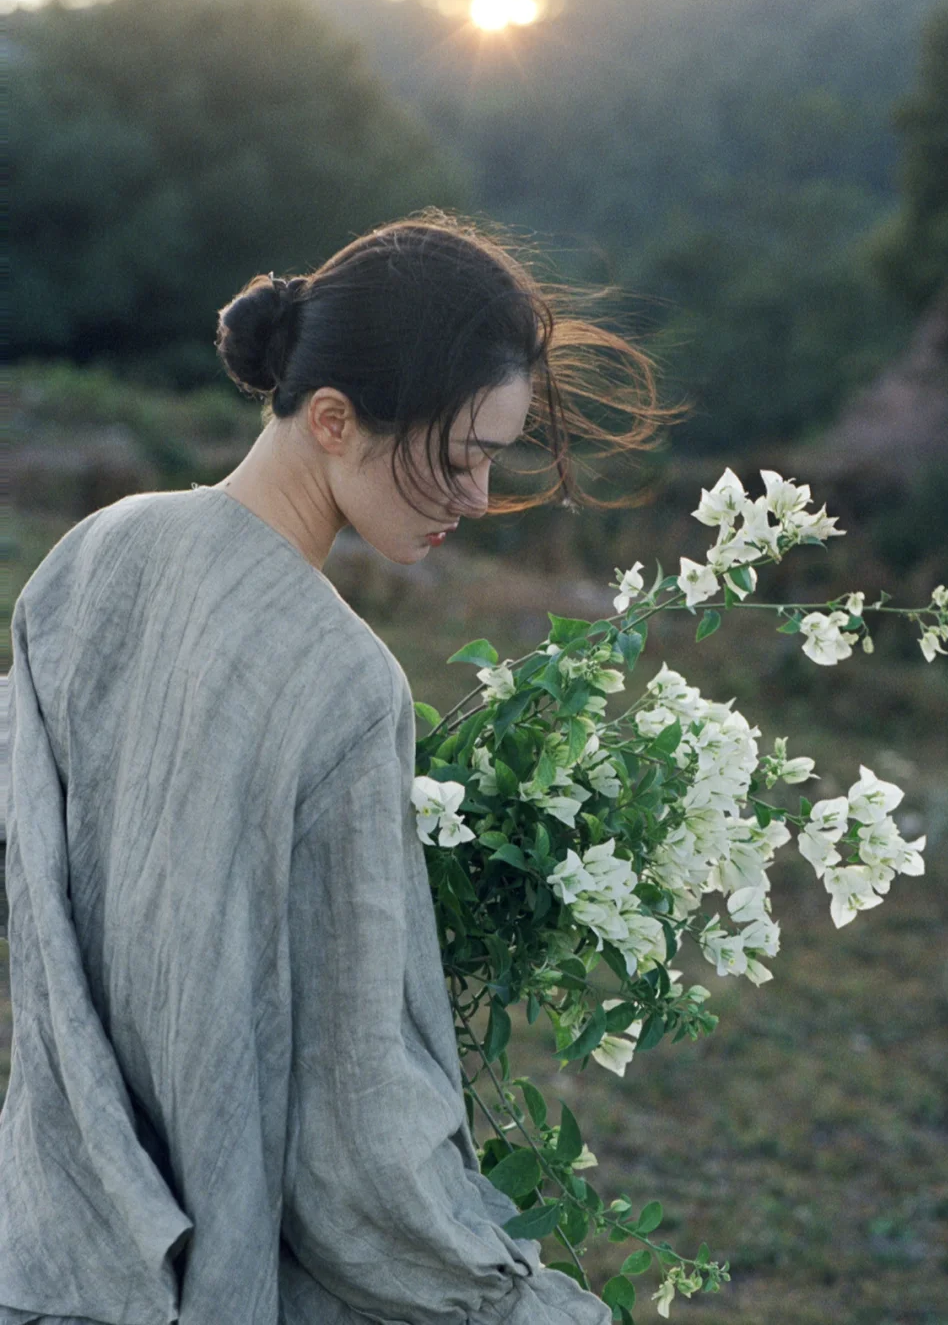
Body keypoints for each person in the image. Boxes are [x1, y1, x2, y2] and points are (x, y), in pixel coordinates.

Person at [0, 211, 682, 1323]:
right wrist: (511, 1298)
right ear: (332, 417)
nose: (474, 498)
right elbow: (355, 1123)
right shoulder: (343, 686)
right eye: (460, 458)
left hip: (46, 1235)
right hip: (203, 1268)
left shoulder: (94, 554)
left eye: (494, 460)